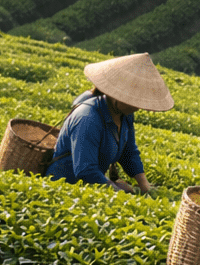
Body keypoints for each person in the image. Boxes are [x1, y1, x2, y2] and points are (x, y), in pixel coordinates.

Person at [46, 53, 173, 194]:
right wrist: (119, 191)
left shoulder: (125, 115)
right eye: (133, 101)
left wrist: (144, 186)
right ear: (116, 95)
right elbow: (86, 170)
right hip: (64, 188)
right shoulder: (88, 118)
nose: (137, 107)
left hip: (91, 187)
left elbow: (129, 153)